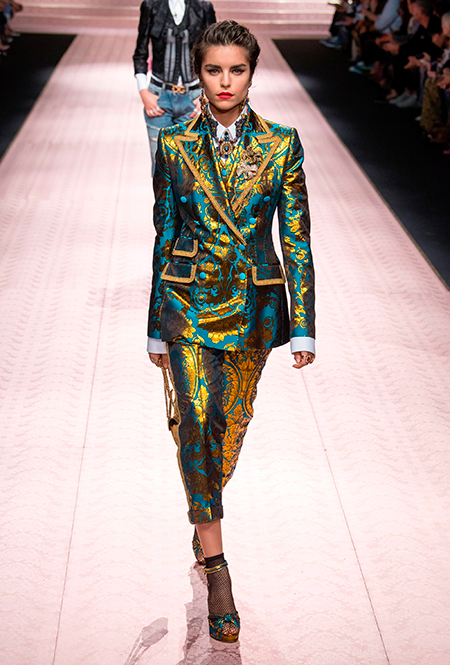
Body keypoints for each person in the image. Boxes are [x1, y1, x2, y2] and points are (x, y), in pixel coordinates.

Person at [147, 20, 316, 643]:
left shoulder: (281, 143)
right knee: (196, 418)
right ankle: (217, 567)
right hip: (188, 305)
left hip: (252, 310)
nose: (224, 82)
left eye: (236, 70)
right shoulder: (174, 144)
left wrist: (304, 325)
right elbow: (164, 234)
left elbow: (295, 236)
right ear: (199, 73)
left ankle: (203, 507)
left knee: (227, 430)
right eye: (213, 70)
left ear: (252, 72)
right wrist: (155, 327)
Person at [132, 0, 216, 173]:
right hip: (158, 98)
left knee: (192, 171)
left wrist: (207, 94)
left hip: (194, 98)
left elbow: (215, 56)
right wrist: (143, 92)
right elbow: (140, 52)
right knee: (162, 171)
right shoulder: (151, 6)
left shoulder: (203, 7)